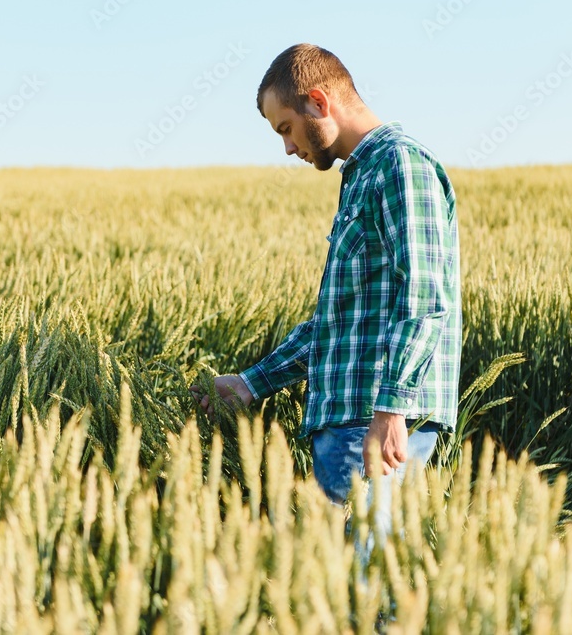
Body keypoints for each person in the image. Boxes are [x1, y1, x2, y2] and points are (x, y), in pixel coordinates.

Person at [193, 43, 461, 541]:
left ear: (318, 101)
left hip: (374, 422)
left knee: (365, 578)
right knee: (340, 578)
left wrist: (391, 409)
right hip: (352, 423)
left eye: (286, 128)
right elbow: (338, 324)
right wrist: (251, 383)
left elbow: (425, 300)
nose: (288, 147)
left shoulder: (399, 165)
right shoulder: (360, 176)